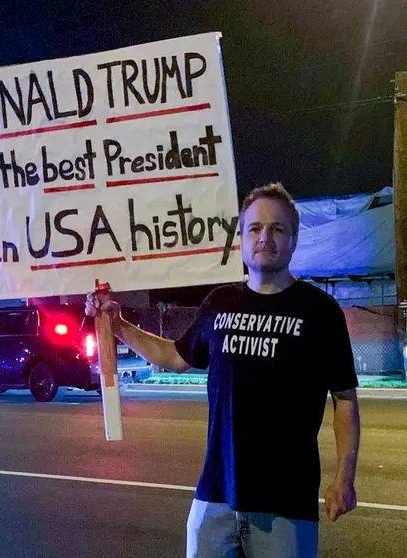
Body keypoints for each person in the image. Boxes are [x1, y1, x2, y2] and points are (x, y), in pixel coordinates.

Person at [86, 183, 360, 558]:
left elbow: (344, 398)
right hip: (214, 496)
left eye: (278, 229)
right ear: (241, 241)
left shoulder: (320, 312)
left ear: (294, 240)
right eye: (255, 228)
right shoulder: (220, 302)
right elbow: (176, 356)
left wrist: (344, 476)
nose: (266, 237)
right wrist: (118, 326)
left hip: (285, 505)